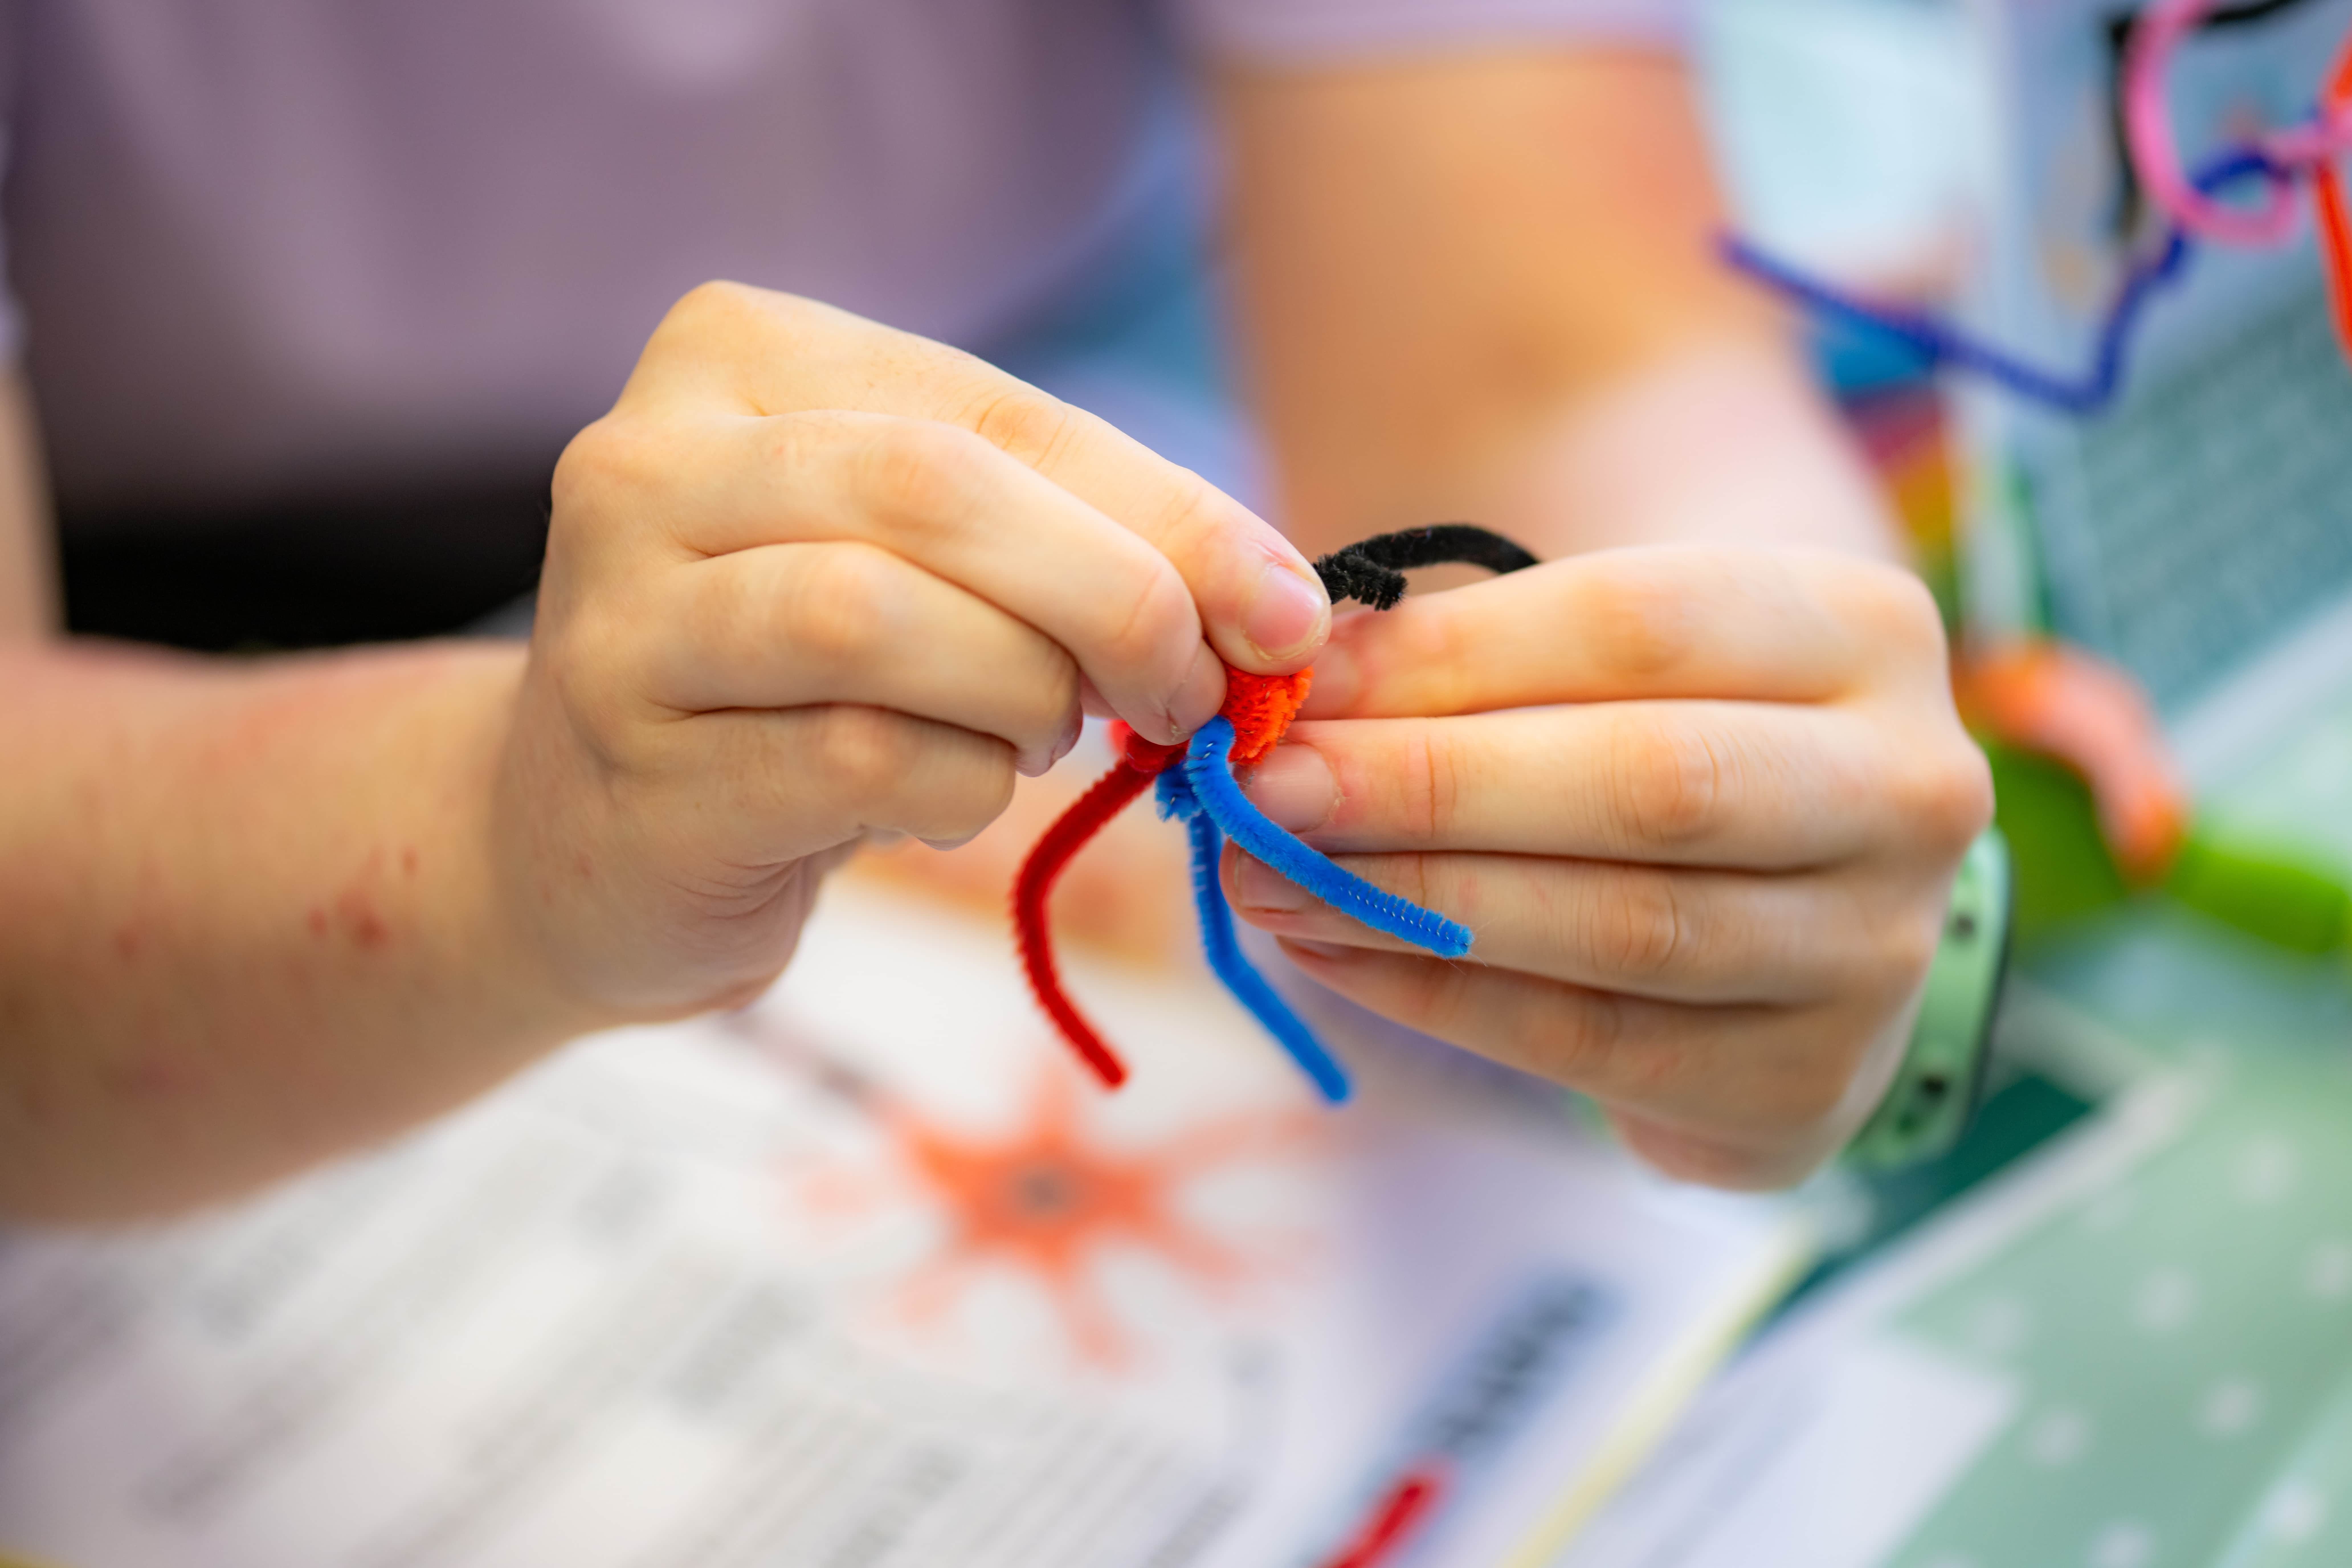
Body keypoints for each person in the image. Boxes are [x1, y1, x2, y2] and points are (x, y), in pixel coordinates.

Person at [0, 0, 1990, 1220]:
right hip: (157, 610)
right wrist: (503, 834)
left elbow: (1562, 373)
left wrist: (1759, 772)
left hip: (1097, 384)